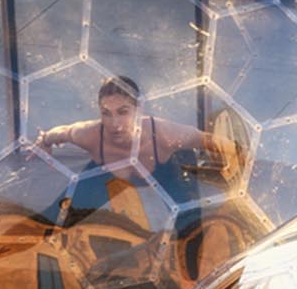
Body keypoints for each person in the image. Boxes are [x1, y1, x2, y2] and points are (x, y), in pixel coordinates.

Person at [34, 75, 238, 230]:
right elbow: (60, 133)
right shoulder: (91, 135)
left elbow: (211, 141)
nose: (115, 124)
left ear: (139, 109)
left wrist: (239, 159)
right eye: (106, 113)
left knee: (191, 225)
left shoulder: (164, 133)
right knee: (56, 217)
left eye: (123, 112)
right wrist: (44, 141)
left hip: (165, 169)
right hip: (105, 170)